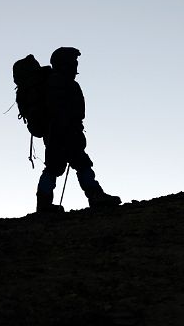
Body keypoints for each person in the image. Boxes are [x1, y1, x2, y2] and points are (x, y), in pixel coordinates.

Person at [36, 47, 121, 213]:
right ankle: (95, 197)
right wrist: (71, 130)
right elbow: (64, 112)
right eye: (73, 62)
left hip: (59, 134)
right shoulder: (61, 83)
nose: (76, 65)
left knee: (63, 166)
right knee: (73, 165)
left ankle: (45, 203)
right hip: (63, 134)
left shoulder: (56, 82)